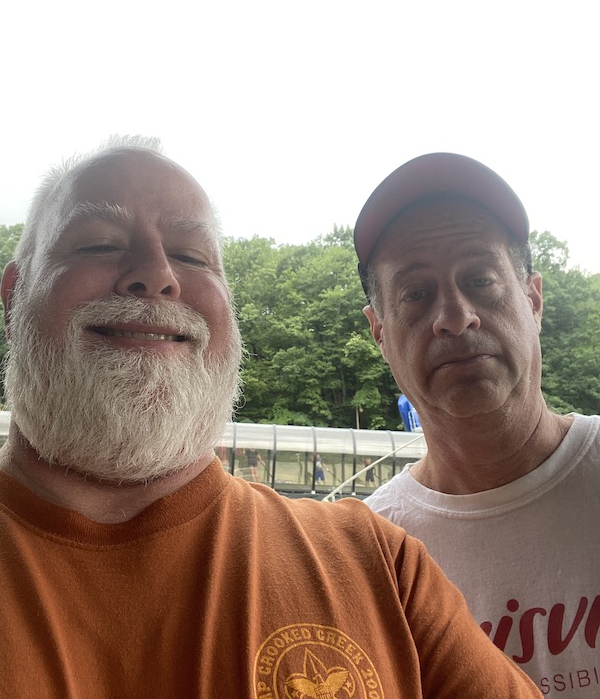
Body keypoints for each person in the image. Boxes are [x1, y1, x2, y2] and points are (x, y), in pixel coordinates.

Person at [0, 139, 542, 698]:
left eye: (192, 256)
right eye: (99, 244)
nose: (158, 274)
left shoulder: (381, 565)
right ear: (14, 298)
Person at [355, 152, 600, 698]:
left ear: (533, 300)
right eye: (416, 294)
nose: (454, 316)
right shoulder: (369, 556)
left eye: (480, 279)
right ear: (379, 332)